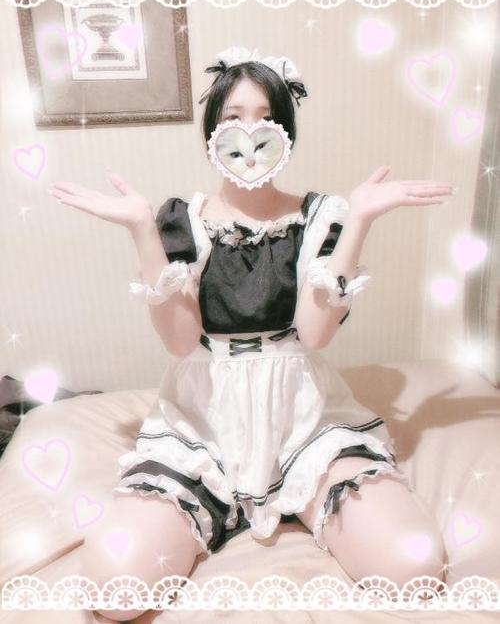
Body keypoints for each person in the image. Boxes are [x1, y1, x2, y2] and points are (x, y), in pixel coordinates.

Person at [48, 46, 453, 622]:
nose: (249, 131)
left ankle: (301, 495)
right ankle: (211, 504)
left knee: (412, 570)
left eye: (265, 116)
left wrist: (359, 220)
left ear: (286, 131)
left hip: (303, 419)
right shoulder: (183, 220)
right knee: (117, 591)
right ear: (212, 132)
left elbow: (315, 334)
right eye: (233, 117)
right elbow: (180, 343)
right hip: (205, 421)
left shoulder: (321, 216)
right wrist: (142, 230)